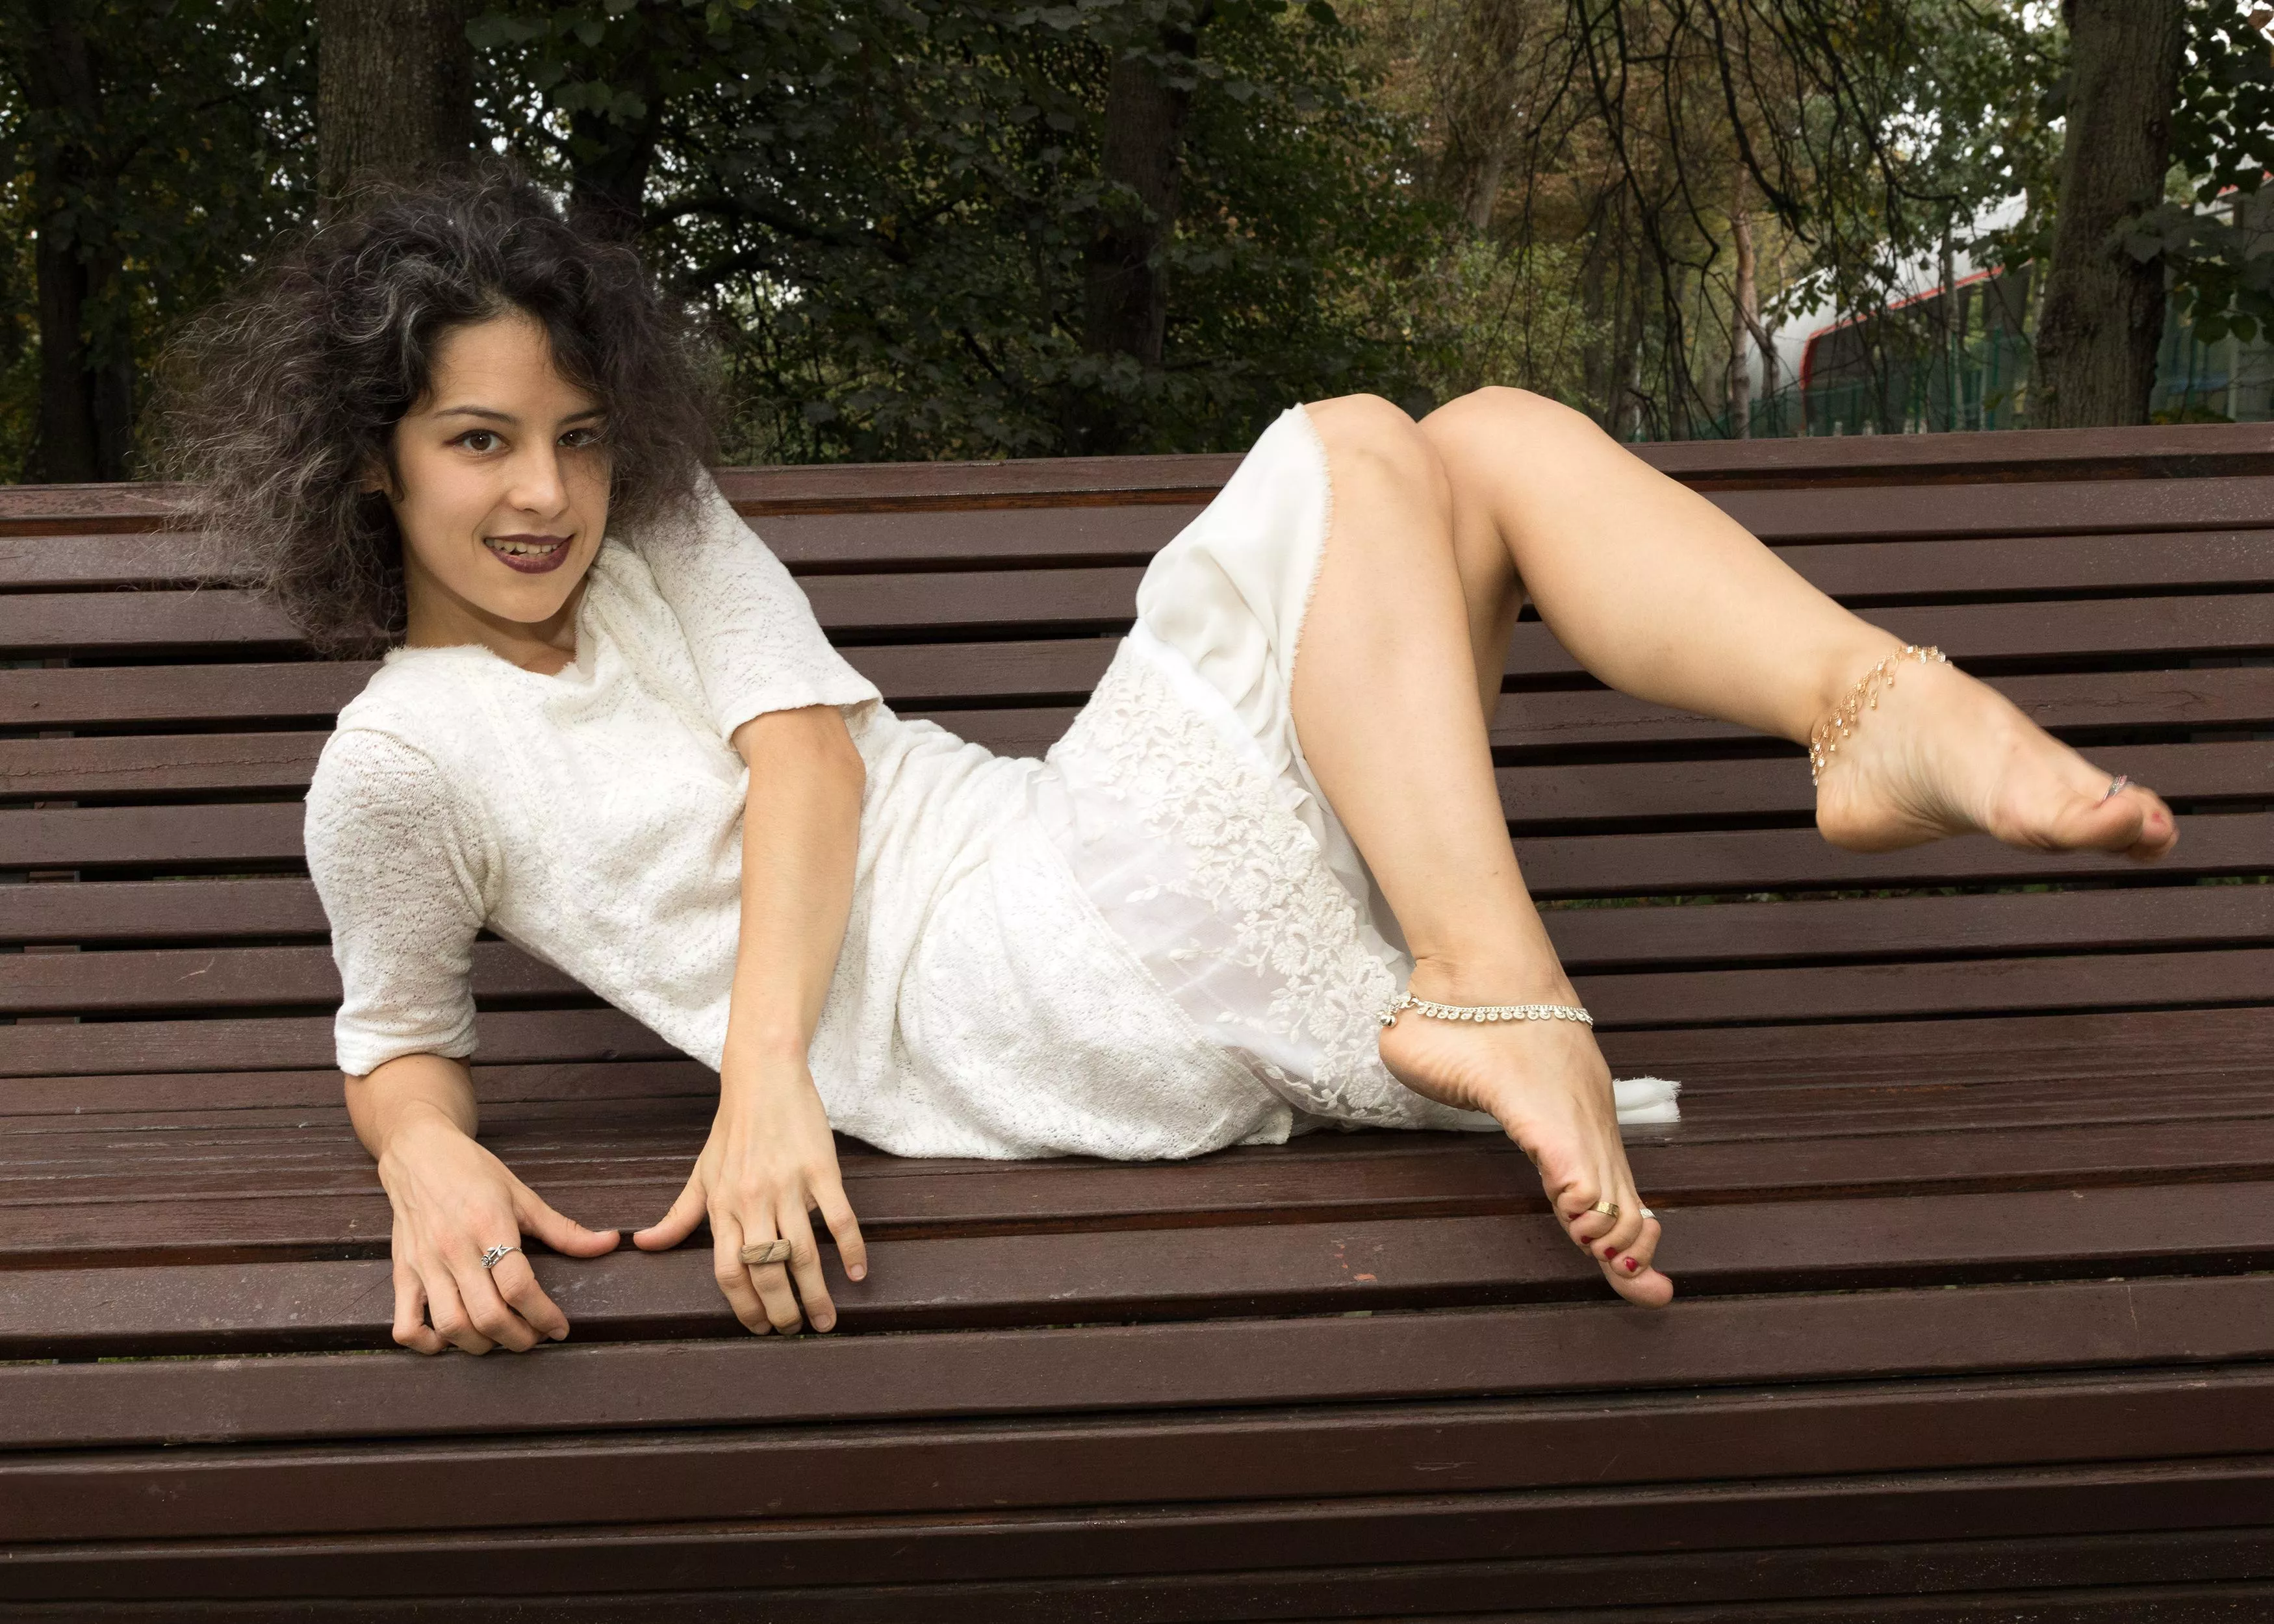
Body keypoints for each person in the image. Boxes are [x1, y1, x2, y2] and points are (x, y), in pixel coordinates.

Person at [160, 173, 2177, 1356]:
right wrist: (426, 1155)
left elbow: (812, 765)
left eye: (576, 437)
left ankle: (1862, 708)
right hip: (1012, 991)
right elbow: (395, 1029)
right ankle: (1491, 979)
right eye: (479, 443)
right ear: (370, 460)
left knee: (1470, 434)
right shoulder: (397, 759)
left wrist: (759, 1072)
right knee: (1350, 444)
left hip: (1062, 863)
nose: (545, 491)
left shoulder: (658, 533)